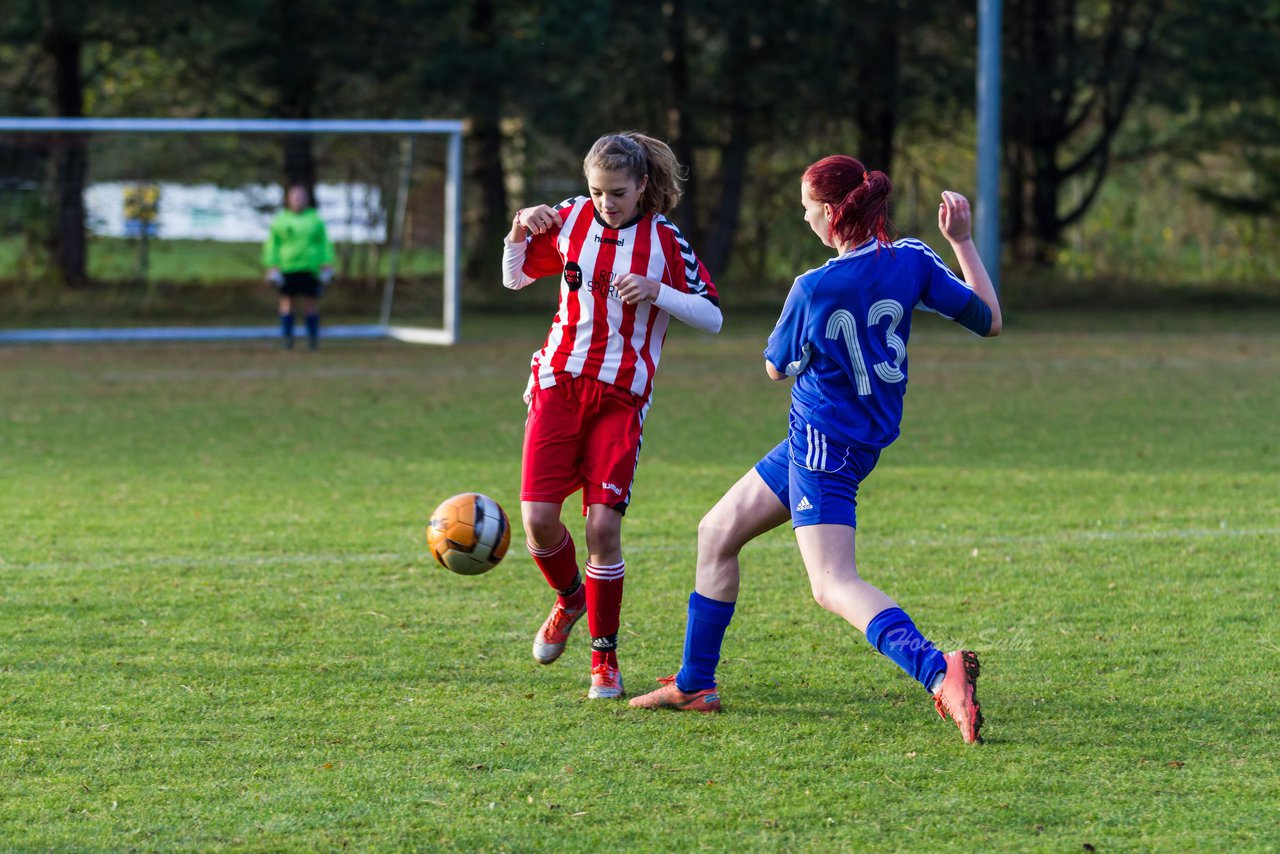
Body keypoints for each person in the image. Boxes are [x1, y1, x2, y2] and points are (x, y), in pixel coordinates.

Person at [628, 155, 1002, 745]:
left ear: (830, 212)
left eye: (806, 208)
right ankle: (696, 683)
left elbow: (776, 367)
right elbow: (988, 319)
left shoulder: (814, 287)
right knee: (717, 531)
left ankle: (938, 670)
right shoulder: (912, 260)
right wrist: (962, 240)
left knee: (832, 583)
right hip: (851, 439)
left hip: (823, 448)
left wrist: (803, 353)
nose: (803, 217)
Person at [503, 131, 723, 700]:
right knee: (538, 521)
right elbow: (515, 275)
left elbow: (713, 316)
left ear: (643, 185)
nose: (606, 203)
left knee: (603, 527)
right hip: (557, 384)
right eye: (597, 191)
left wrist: (657, 291)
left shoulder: (664, 241)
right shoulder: (572, 219)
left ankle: (605, 658)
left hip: (621, 396)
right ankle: (570, 599)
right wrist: (521, 228)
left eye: (618, 192)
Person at [262, 184, 334, 350]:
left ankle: (312, 339)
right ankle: (288, 339)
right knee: (287, 303)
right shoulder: (281, 220)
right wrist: (271, 265)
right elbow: (272, 245)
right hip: (287, 268)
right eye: (295, 197)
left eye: (301, 196)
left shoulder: (315, 220)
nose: (298, 200)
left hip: (310, 268)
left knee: (311, 303)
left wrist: (327, 263)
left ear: (306, 199)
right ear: (288, 199)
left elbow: (325, 243)